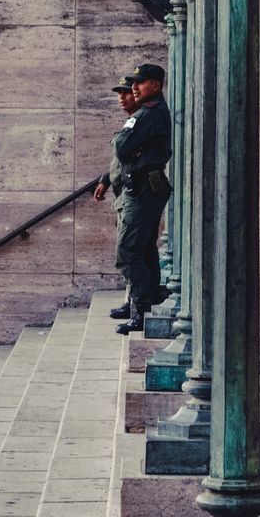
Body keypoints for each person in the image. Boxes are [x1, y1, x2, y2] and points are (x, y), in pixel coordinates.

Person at [111, 63, 172, 335]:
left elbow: (121, 147)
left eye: (141, 82)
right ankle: (142, 301)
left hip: (144, 189)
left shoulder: (148, 114)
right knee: (144, 247)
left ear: (156, 86)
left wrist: (127, 142)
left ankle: (141, 308)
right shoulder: (151, 113)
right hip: (144, 186)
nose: (134, 87)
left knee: (128, 250)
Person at [94, 78, 140, 320]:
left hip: (136, 195)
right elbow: (119, 161)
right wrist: (105, 179)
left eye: (127, 93)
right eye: (119, 94)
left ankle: (138, 307)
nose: (122, 98)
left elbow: (125, 155)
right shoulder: (131, 121)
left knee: (130, 252)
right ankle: (132, 302)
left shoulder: (142, 120)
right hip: (124, 194)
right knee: (131, 251)